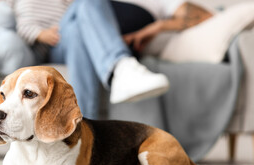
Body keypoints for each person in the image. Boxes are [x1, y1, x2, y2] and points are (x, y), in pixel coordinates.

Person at [15, 0, 213, 119]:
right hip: (60, 41)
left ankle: (82, 129)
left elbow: (207, 17)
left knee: (77, 32)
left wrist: (158, 27)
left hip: (80, 41)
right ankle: (121, 67)